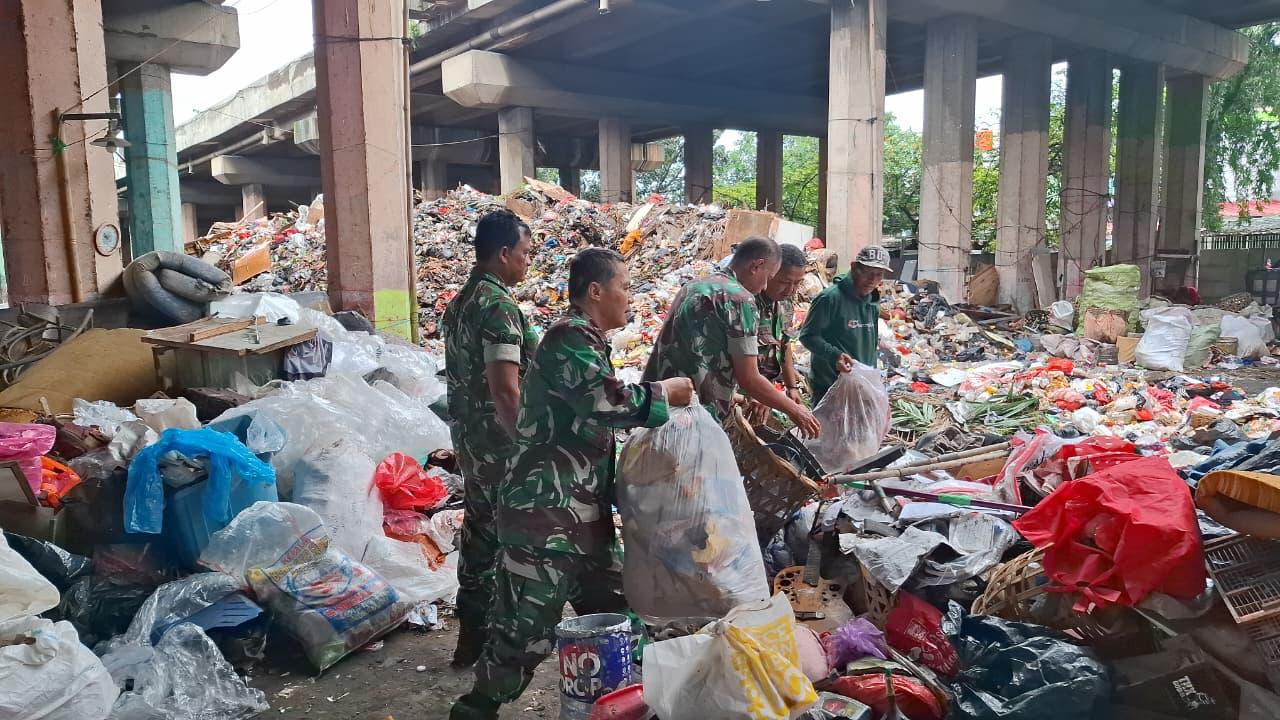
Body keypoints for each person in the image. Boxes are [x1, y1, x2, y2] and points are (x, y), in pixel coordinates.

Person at [451, 248, 694, 720]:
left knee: (621, 613)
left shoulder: (588, 341)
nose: (630, 297)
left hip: (582, 518)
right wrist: (666, 392)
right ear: (596, 291)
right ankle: (475, 708)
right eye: (624, 287)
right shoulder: (568, 337)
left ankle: (649, 698)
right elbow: (605, 402)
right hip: (545, 517)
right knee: (524, 631)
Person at [440, 209, 538, 669]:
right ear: (502, 254)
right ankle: (504, 647)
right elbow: (505, 390)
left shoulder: (461, 302)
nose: (527, 261)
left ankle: (472, 636)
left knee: (479, 534)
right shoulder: (497, 306)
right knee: (515, 537)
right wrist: (527, 446)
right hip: (501, 444)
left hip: (470, 440)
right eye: (524, 253)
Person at [643, 235, 820, 437]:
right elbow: (749, 379)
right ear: (756, 266)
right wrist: (796, 411)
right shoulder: (740, 299)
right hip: (695, 414)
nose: (764, 286)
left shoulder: (693, 285)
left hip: (659, 403)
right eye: (769, 278)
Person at [799, 244, 892, 404]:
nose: (873, 279)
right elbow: (808, 336)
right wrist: (834, 355)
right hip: (830, 388)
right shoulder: (830, 298)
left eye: (879, 274)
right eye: (868, 272)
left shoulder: (872, 302)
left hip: (862, 386)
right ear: (854, 267)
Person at [749, 244, 808, 425]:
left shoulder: (786, 304)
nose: (791, 289)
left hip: (766, 389)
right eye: (785, 282)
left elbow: (784, 344)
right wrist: (757, 393)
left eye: (797, 283)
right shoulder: (747, 304)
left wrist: (791, 387)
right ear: (770, 273)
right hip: (745, 390)